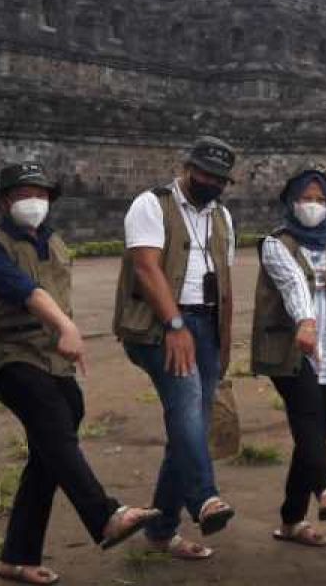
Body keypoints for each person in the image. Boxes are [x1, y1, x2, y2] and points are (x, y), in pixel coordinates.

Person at [0, 163, 160, 584]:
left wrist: (67, 341)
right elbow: (28, 292)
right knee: (52, 422)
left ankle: (17, 557)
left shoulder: (55, 242)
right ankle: (105, 515)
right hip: (7, 353)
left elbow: (59, 297)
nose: (33, 202)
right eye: (22, 194)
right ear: (2, 202)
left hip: (53, 355)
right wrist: (67, 328)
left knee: (50, 448)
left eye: (40, 193)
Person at [113, 136, 238, 561]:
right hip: (159, 325)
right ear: (187, 167)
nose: (210, 182)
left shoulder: (222, 216)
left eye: (219, 178)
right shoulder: (151, 204)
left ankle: (162, 530)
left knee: (191, 432)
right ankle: (205, 497)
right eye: (203, 174)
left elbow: (225, 284)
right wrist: (175, 324)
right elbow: (146, 267)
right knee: (185, 408)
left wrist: (223, 344)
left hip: (205, 324)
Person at [251, 165, 326, 548]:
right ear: (291, 201)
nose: (314, 206)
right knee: (307, 421)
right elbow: (291, 284)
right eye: (307, 198)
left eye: (321, 200)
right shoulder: (275, 244)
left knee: (314, 436)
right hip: (289, 351)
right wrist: (305, 321)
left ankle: (291, 520)